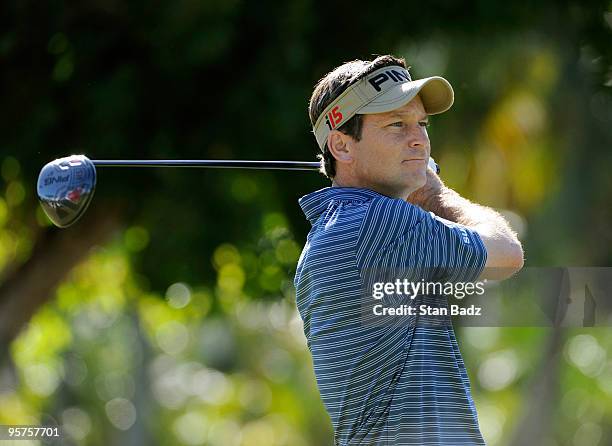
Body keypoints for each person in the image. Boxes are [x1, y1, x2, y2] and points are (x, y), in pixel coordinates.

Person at [294, 55, 524, 445]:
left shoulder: (330, 233)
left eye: (421, 124)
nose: (418, 139)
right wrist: (436, 192)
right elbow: (506, 253)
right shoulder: (379, 223)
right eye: (396, 125)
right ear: (342, 146)